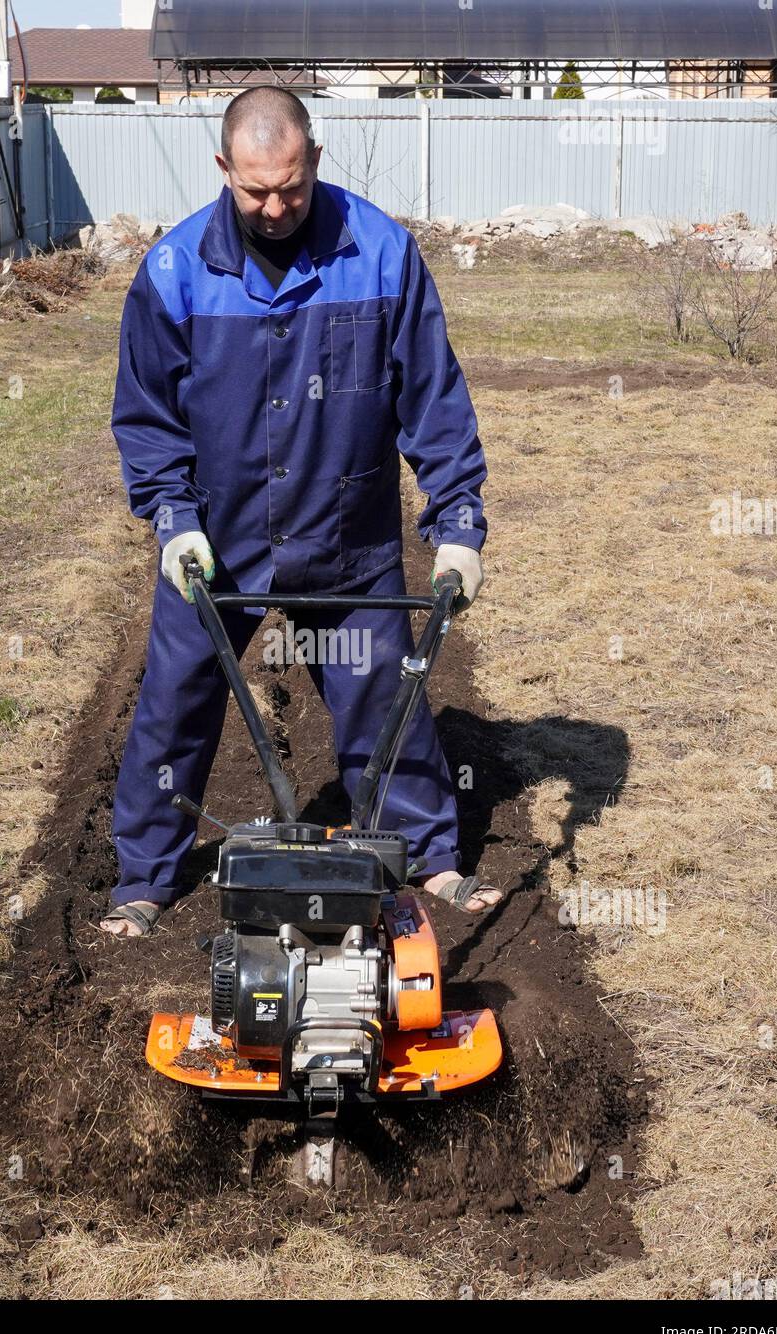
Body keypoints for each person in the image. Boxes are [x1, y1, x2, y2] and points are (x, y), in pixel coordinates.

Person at [102, 86, 501, 937]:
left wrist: (458, 520)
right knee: (174, 704)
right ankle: (146, 877)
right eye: (255, 191)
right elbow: (146, 417)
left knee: (385, 700)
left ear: (314, 160)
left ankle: (428, 857)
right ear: (223, 171)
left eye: (291, 185)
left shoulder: (382, 254)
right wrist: (173, 517)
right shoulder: (173, 273)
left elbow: (431, 398)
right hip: (219, 543)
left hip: (345, 539)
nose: (276, 208)